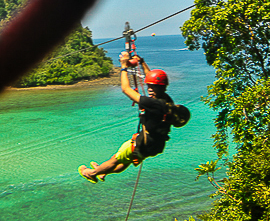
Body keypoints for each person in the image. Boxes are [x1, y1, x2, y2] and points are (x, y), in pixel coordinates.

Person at [78, 52, 190, 183]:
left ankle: (92, 173)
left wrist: (124, 67)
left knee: (116, 159)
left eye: (153, 87)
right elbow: (151, 78)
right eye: (150, 86)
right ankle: (103, 172)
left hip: (143, 142)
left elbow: (126, 89)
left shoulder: (153, 103)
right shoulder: (166, 100)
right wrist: (142, 63)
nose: (150, 90)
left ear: (160, 87)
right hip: (156, 144)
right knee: (126, 160)